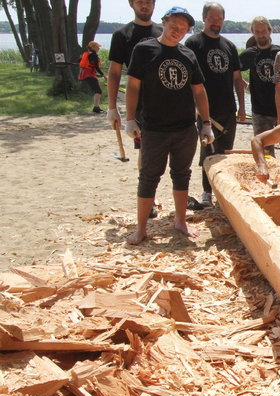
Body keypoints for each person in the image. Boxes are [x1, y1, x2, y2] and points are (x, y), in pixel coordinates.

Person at [123, 6, 212, 245]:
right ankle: (141, 228)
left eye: (183, 30)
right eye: (174, 27)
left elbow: (199, 91)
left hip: (184, 129)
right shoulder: (144, 50)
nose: (178, 32)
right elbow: (133, 86)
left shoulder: (188, 54)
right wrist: (129, 118)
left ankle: (180, 221)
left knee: (182, 175)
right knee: (149, 176)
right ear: (164, 22)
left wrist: (205, 123)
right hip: (153, 128)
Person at [185, 2, 246, 207]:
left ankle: (221, 191)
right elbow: (188, 79)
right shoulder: (193, 43)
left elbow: (237, 79)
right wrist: (195, 110)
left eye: (219, 19)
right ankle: (206, 191)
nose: (216, 23)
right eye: (212, 18)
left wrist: (243, 107)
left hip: (228, 108)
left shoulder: (228, 46)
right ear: (204, 18)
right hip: (205, 111)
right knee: (208, 152)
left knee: (225, 154)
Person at [107, 0, 163, 218]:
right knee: (146, 151)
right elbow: (114, 72)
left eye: (148, 1)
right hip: (140, 104)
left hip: (166, 102)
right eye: (140, 1)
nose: (145, 5)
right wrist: (112, 107)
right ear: (131, 3)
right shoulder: (122, 35)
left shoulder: (162, 30)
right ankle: (148, 198)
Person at [239, 16, 280, 156]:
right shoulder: (248, 54)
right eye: (257, 31)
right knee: (265, 153)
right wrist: (246, 86)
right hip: (260, 111)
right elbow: (233, 73)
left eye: (263, 31)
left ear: (270, 31)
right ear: (253, 32)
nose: (261, 34)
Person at [78, 41, 106, 113]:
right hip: (88, 74)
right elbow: (96, 67)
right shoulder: (94, 55)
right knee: (98, 91)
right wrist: (104, 75)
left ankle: (96, 107)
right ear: (92, 47)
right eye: (97, 47)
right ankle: (96, 108)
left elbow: (79, 61)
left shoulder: (86, 54)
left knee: (97, 90)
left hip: (85, 73)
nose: (99, 48)